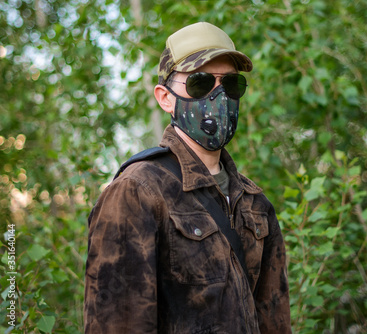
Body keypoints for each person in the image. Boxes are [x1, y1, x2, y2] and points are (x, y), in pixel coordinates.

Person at [84, 22, 292, 333]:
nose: (220, 95)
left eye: (231, 84)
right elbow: (117, 324)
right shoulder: (137, 190)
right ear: (165, 98)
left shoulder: (254, 202)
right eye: (200, 82)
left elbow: (274, 320)